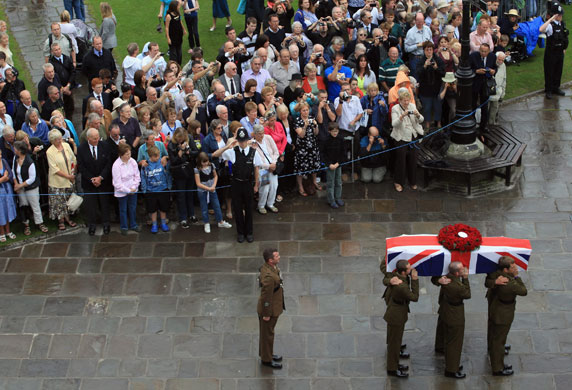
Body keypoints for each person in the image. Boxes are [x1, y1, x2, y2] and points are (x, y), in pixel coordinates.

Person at [484, 256, 527, 376]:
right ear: (505, 270)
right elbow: (523, 291)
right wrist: (517, 276)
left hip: (495, 306)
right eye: (513, 267)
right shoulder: (510, 283)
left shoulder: (496, 273)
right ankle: (498, 368)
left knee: (494, 333)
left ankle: (493, 349)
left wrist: (494, 282)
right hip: (503, 313)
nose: (516, 269)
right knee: (499, 340)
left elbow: (488, 281)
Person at [220, 128, 261, 243]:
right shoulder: (232, 151)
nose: (242, 143)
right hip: (236, 183)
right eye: (240, 141)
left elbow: (256, 169)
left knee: (248, 209)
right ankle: (240, 233)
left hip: (248, 183)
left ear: (247, 140)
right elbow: (217, 155)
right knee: (237, 209)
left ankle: (249, 232)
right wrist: (228, 146)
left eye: (244, 140)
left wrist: (256, 185)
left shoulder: (253, 152)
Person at [435, 261, 471, 379]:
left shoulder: (445, 278)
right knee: (454, 343)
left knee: (446, 334)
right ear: (456, 273)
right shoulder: (456, 286)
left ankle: (441, 349)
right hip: (454, 314)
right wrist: (465, 278)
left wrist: (438, 280)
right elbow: (467, 294)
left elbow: (435, 277)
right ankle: (451, 369)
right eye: (462, 270)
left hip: (446, 308)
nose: (464, 270)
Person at [383, 259, 419, 378]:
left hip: (395, 311)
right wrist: (415, 280)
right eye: (409, 268)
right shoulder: (401, 286)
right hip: (396, 315)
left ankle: (395, 363)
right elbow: (414, 297)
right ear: (403, 272)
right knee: (394, 343)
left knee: (396, 340)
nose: (411, 269)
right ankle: (392, 368)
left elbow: (386, 278)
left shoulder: (397, 276)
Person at [77, 128, 112, 236]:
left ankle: (106, 223)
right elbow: (81, 166)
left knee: (104, 204)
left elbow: (108, 163)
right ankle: (92, 225)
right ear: (88, 138)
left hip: (103, 182)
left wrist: (100, 177)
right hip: (89, 183)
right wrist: (92, 179)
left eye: (97, 138)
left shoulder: (105, 146)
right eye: (94, 138)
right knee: (91, 205)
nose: (97, 140)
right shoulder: (81, 148)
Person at [390, 88, 423, 192]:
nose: (406, 102)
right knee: (401, 160)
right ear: (400, 100)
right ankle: (398, 182)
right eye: (404, 100)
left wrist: (418, 115)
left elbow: (421, 120)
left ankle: (412, 181)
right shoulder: (395, 108)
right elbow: (394, 124)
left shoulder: (412, 106)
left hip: (413, 134)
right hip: (400, 136)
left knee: (413, 159)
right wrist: (402, 116)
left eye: (408, 100)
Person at [257, 248, 285, 369]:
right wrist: (267, 313)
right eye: (277, 256)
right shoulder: (268, 278)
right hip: (270, 310)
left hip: (274, 305)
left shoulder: (269, 268)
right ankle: (266, 360)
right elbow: (266, 298)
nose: (279, 257)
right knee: (267, 335)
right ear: (270, 260)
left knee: (267, 334)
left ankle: (266, 353)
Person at [12, 140, 47, 235]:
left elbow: (32, 178)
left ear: (19, 150)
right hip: (20, 188)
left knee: (35, 205)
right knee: (23, 206)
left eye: (15, 148)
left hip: (31, 187)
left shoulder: (29, 161)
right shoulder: (15, 158)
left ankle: (40, 223)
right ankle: (26, 225)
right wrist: (16, 184)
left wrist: (20, 185)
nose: (14, 150)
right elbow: (13, 172)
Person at [46, 129, 77, 231]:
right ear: (52, 141)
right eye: (57, 140)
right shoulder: (49, 152)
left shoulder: (66, 146)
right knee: (59, 203)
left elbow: (73, 159)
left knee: (67, 201)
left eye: (60, 138)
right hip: (57, 181)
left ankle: (68, 218)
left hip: (69, 178)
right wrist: (67, 176)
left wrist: (72, 173)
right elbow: (54, 168)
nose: (60, 141)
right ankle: (61, 221)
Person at [168, 127, 199, 228]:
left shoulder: (189, 138)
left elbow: (197, 152)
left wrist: (188, 152)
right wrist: (180, 154)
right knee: (181, 195)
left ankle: (192, 214)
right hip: (179, 172)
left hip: (189, 169)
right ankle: (183, 218)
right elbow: (173, 161)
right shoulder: (171, 144)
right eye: (178, 138)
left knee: (190, 193)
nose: (180, 140)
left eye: (181, 138)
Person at [194, 151, 232, 233]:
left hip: (212, 189)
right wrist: (208, 188)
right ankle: (206, 223)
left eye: (206, 161)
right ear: (199, 162)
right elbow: (198, 183)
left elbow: (215, 176)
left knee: (217, 205)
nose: (205, 163)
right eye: (203, 162)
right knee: (204, 208)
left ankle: (220, 221)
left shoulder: (211, 165)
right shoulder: (197, 169)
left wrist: (213, 186)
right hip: (203, 191)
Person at [141, 145, 171, 234]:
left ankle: (163, 222)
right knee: (153, 209)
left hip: (163, 189)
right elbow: (143, 177)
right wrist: (144, 189)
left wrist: (169, 186)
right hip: (151, 190)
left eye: (158, 155)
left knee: (163, 208)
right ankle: (154, 224)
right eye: (155, 156)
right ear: (150, 156)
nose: (157, 158)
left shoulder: (162, 162)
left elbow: (168, 174)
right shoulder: (146, 165)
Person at [540, 4, 568, 99]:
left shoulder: (562, 24)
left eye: (561, 15)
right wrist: (550, 19)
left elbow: (564, 38)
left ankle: (556, 87)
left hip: (560, 52)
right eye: (558, 15)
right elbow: (541, 29)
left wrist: (564, 48)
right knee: (549, 71)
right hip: (551, 52)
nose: (560, 17)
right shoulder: (550, 26)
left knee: (558, 70)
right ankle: (549, 89)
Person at [112, 142, 141, 235]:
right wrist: (128, 191)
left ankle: (133, 224)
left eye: (130, 153)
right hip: (122, 192)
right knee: (123, 209)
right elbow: (117, 183)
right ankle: (124, 226)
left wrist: (134, 187)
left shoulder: (133, 161)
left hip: (133, 189)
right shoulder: (116, 165)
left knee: (132, 208)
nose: (129, 155)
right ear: (121, 154)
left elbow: (137, 176)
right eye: (127, 154)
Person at [293, 102, 321, 196]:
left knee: (314, 165)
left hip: (312, 146)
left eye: (307, 110)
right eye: (304, 110)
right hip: (302, 148)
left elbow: (316, 133)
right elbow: (301, 135)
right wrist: (305, 126)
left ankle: (314, 182)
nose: (306, 112)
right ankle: (300, 187)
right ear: (300, 111)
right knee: (300, 168)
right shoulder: (297, 120)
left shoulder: (312, 118)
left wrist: (316, 125)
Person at [417, 41, 445, 129]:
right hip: (425, 89)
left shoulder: (438, 59)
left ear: (433, 50)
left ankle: (439, 124)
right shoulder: (421, 61)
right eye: (427, 50)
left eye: (430, 50)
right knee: (427, 108)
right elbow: (418, 73)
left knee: (438, 107)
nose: (429, 52)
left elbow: (443, 73)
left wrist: (436, 68)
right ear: (424, 51)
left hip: (436, 88)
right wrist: (425, 66)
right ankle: (427, 125)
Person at [252, 124, 280, 214]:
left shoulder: (268, 138)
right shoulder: (252, 144)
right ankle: (261, 206)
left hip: (273, 166)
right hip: (263, 169)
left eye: (262, 133)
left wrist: (274, 163)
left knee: (274, 186)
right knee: (265, 188)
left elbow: (276, 151)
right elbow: (256, 161)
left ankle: (271, 204)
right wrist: (268, 166)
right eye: (259, 134)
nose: (262, 135)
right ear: (255, 134)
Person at [469, 43, 496, 131]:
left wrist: (493, 71)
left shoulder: (492, 56)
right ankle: (472, 125)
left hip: (486, 84)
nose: (483, 53)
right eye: (481, 51)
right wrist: (476, 71)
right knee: (473, 105)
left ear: (488, 51)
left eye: (485, 52)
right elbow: (468, 69)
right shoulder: (473, 56)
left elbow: (495, 68)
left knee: (484, 106)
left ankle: (483, 126)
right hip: (475, 84)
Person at [48, 43, 75, 119]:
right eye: (55, 50)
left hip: (69, 87)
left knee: (70, 106)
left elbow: (73, 72)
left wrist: (69, 85)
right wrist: (62, 88)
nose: (58, 51)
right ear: (52, 52)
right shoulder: (51, 63)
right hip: (59, 89)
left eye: (59, 49)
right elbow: (53, 77)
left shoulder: (67, 59)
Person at [404, 13, 433, 79]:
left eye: (421, 21)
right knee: (416, 78)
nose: (420, 23)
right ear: (415, 21)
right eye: (418, 21)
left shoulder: (427, 29)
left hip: (427, 58)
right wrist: (417, 45)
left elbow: (432, 42)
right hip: (416, 58)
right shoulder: (410, 32)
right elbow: (406, 48)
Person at [323, 122, 344, 208]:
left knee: (338, 182)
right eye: (333, 131)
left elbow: (343, 153)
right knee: (330, 183)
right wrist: (329, 164)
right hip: (330, 165)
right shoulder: (325, 140)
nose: (335, 133)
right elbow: (323, 154)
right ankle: (331, 200)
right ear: (329, 131)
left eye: (336, 131)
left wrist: (338, 163)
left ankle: (338, 197)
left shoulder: (341, 139)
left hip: (338, 164)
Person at [0, 147, 16, 241]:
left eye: (1, 154)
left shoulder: (4, 161)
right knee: (0, 211)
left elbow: (10, 174)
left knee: (7, 209)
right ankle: (1, 233)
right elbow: (5, 176)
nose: (0, 156)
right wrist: (3, 178)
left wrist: (7, 177)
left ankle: (8, 231)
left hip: (7, 190)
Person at [489, 52, 506, 125]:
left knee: (494, 108)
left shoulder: (503, 66)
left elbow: (504, 79)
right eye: (499, 59)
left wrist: (503, 92)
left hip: (497, 92)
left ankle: (491, 123)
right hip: (489, 91)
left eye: (502, 60)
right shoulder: (490, 64)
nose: (501, 62)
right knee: (486, 109)